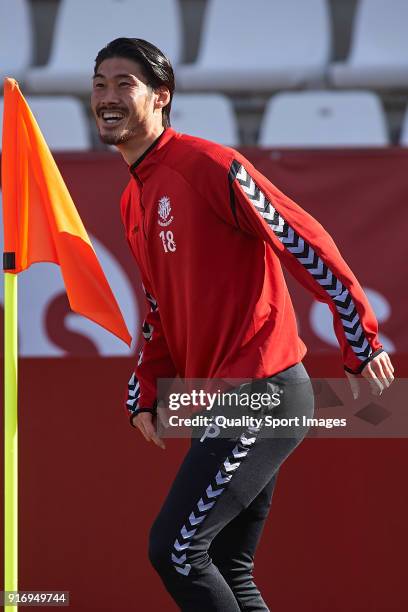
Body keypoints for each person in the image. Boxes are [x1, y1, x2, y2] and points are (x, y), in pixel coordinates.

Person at [91, 38, 395, 611]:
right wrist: (145, 390)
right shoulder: (133, 199)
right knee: (226, 564)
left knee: (177, 550)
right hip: (225, 398)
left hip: (266, 391)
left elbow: (302, 238)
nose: (107, 96)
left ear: (161, 97)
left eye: (123, 84)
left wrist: (357, 332)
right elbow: (158, 309)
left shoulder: (207, 164)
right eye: (99, 83)